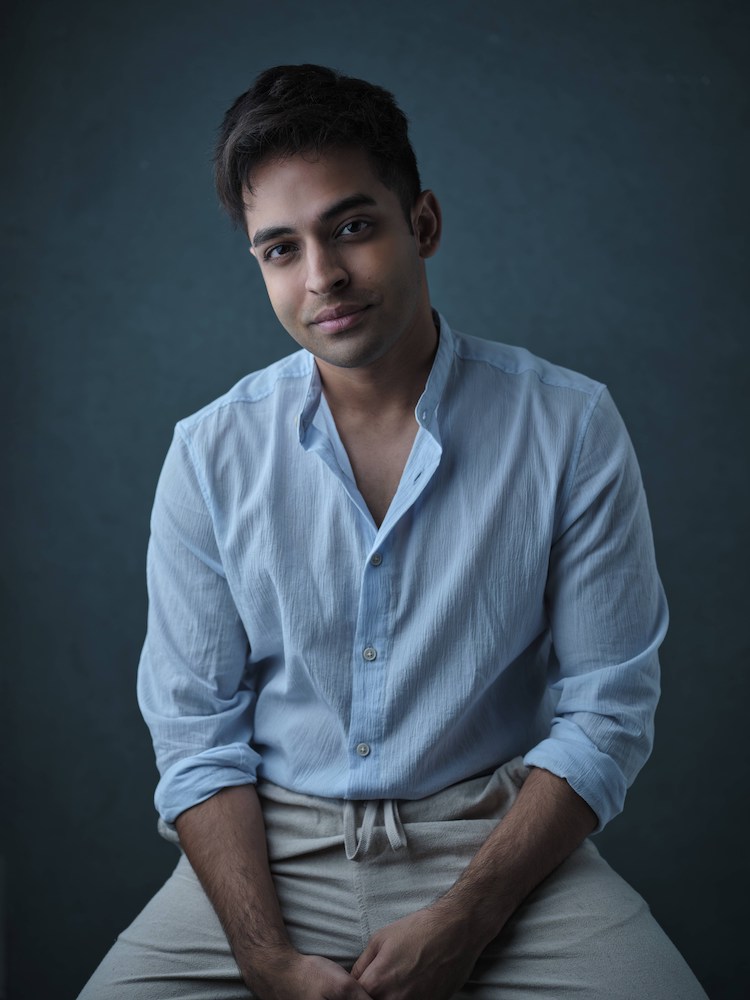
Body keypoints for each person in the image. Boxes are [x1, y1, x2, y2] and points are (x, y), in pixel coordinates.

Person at [79, 64, 707, 999]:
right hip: (270, 854)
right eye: (280, 250)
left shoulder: (569, 427)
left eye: (352, 227)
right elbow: (197, 733)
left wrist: (469, 915)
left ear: (423, 225)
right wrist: (262, 955)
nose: (322, 276)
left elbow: (608, 709)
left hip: (493, 842)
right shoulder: (209, 454)